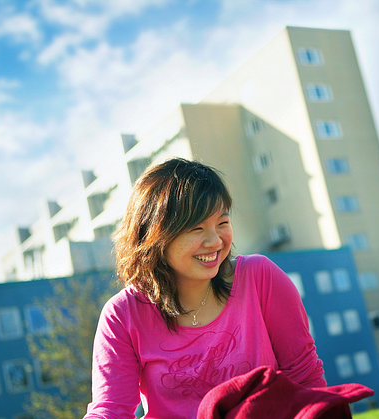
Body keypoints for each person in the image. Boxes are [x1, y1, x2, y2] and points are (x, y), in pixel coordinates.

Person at [84, 158, 326, 419]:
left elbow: (305, 379)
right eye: (197, 228)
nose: (215, 241)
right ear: (155, 236)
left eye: (222, 223)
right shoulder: (123, 315)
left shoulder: (260, 278)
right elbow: (110, 411)